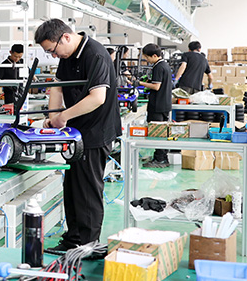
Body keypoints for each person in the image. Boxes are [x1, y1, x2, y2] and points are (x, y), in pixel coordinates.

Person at [34, 19, 122, 249]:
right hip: (77, 133)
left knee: (88, 192)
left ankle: (87, 245)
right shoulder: (67, 56)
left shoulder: (95, 54)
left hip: (95, 132)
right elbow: (58, 87)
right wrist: (53, 116)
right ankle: (73, 239)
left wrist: (63, 116)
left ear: (65, 37)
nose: (54, 56)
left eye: (52, 50)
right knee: (73, 189)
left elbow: (98, 98)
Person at [141, 44, 173, 168]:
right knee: (162, 132)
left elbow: (156, 86)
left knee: (158, 133)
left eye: (147, 57)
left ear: (154, 55)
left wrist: (140, 83)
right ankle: (162, 157)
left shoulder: (158, 67)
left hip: (158, 105)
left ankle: (160, 160)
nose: (146, 60)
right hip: (164, 104)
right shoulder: (164, 65)